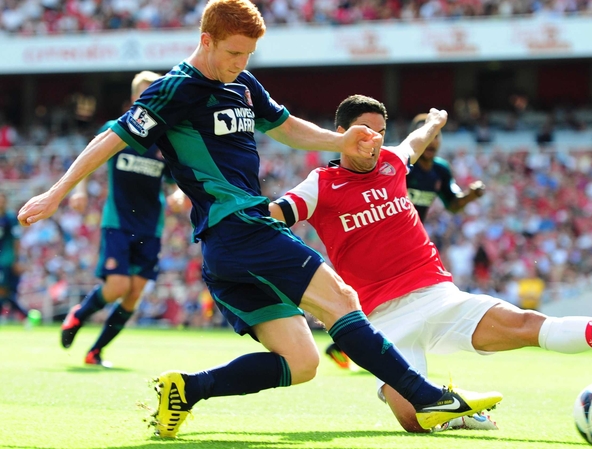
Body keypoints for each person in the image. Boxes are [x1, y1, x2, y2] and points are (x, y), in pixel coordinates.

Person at [16, 0, 501, 438]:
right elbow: (114, 137)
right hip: (239, 225)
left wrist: (340, 142)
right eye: (233, 53)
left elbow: (286, 127)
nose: (241, 63)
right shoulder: (175, 89)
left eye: (248, 54)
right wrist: (58, 192)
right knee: (342, 300)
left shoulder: (242, 83)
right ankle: (429, 398)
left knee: (302, 361)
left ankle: (185, 390)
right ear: (206, 40)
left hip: (228, 248)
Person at [269, 94, 592, 433]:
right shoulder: (320, 184)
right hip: (380, 321)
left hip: (437, 297)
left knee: (527, 324)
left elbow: (416, 141)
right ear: (339, 133)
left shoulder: (393, 161)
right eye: (363, 132)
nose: (372, 142)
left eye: (379, 133)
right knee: (413, 419)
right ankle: (458, 413)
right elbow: (273, 216)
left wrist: (436, 120)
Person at [324, 112, 486, 371]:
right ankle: (351, 342)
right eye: (428, 135)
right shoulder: (396, 166)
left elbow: (453, 204)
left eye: (436, 135)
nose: (432, 141)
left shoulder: (440, 170)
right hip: (380, 239)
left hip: (409, 243)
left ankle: (353, 345)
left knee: (403, 296)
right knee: (383, 296)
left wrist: (470, 196)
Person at [60, 70, 184, 367]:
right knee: (117, 286)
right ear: (133, 98)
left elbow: (173, 181)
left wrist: (177, 194)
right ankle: (79, 315)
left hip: (151, 226)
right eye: (143, 93)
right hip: (119, 221)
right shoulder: (117, 129)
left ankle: (96, 352)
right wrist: (78, 190)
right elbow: (88, 159)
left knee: (135, 293)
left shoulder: (165, 141)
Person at [0, 191, 28, 321]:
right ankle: (24, 315)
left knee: (5, 290)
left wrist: (17, 260)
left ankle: (25, 315)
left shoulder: (11, 219)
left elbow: (17, 240)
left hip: (6, 260)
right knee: (6, 292)